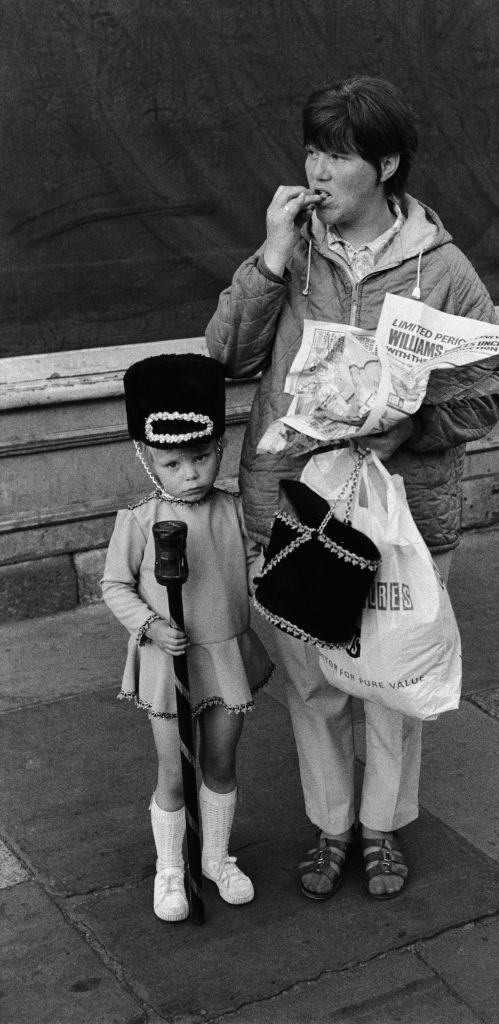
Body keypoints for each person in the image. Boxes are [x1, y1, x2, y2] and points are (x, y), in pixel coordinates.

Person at [205, 76, 499, 900]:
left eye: (337, 155)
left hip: (401, 517)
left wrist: (409, 426)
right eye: (312, 149)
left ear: (385, 165)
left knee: (392, 680)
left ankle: (382, 828)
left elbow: (487, 392)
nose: (318, 170)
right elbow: (226, 357)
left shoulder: (444, 271)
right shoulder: (293, 246)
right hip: (293, 505)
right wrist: (270, 257)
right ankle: (332, 826)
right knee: (311, 682)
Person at [102, 353, 272, 922]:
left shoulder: (234, 510)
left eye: (201, 457)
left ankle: (216, 856)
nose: (191, 473)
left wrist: (275, 584)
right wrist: (149, 625)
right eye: (173, 463)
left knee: (220, 762)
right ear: (145, 457)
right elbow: (114, 586)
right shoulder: (138, 520)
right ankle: (170, 866)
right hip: (166, 658)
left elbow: (252, 565)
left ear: (220, 447)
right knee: (173, 771)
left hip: (225, 652)